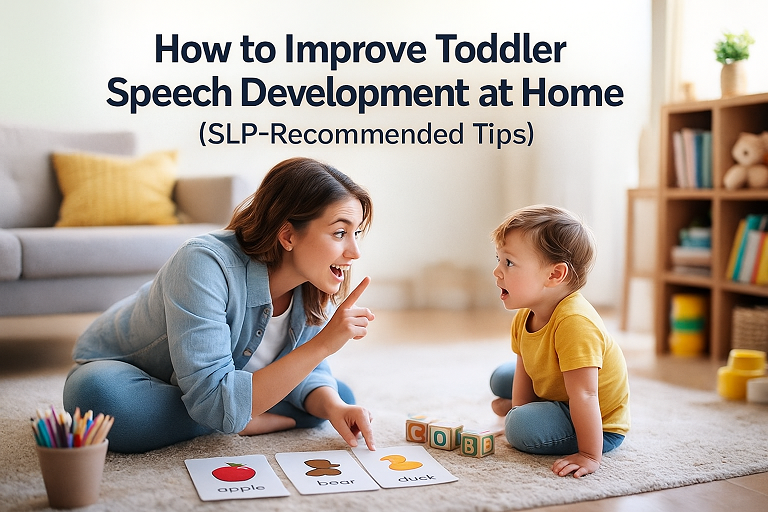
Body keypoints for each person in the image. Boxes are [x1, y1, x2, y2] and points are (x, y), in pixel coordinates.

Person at [63, 157, 377, 453]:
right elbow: (306, 359)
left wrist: (335, 407)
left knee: (339, 398)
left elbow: (309, 374)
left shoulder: (311, 283)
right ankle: (233, 416)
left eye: (357, 233)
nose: (355, 252)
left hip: (214, 385)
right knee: (98, 398)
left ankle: (232, 410)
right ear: (288, 235)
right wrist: (323, 345)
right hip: (129, 370)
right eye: (340, 233)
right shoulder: (203, 261)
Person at [488, 205, 629, 478]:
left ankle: (537, 419)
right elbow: (526, 366)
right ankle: (531, 411)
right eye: (498, 259)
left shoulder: (575, 323)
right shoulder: (525, 315)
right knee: (501, 378)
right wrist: (519, 408)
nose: (497, 271)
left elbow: (585, 394)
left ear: (554, 275)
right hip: (563, 391)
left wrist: (589, 455)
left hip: (599, 421)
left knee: (519, 427)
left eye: (509, 262)